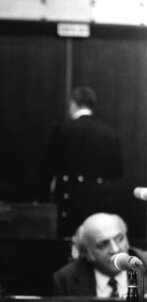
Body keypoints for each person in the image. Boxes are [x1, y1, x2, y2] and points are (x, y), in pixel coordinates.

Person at [44, 86, 123, 236]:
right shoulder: (109, 134)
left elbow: (49, 166)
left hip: (69, 198)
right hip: (97, 200)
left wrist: (39, 196)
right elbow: (116, 172)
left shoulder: (62, 130)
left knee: (68, 242)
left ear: (73, 104)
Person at [53, 213, 146, 297]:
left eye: (120, 239)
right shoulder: (66, 279)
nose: (115, 249)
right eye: (103, 245)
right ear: (87, 253)